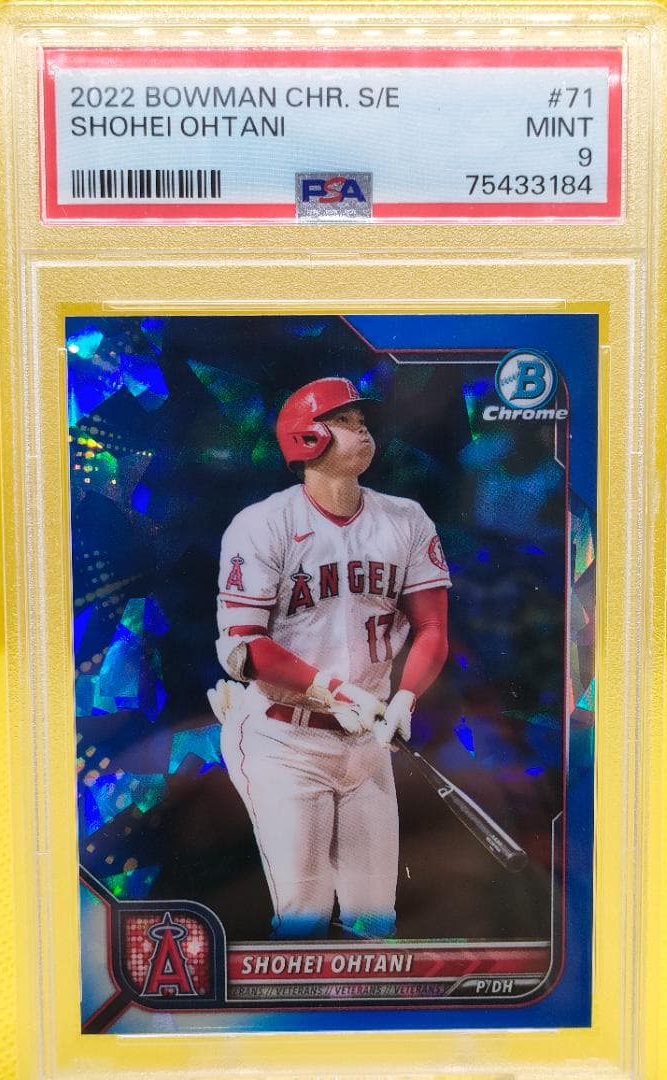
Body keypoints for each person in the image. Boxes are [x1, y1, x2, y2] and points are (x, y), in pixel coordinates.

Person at [209, 377, 450, 939]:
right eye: (343, 420)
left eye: (361, 421)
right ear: (306, 436)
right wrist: (335, 691)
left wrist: (407, 697)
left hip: (366, 743)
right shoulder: (263, 523)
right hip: (283, 738)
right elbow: (243, 646)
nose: (361, 429)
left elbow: (433, 628)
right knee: (305, 916)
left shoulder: (406, 519)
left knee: (374, 922)